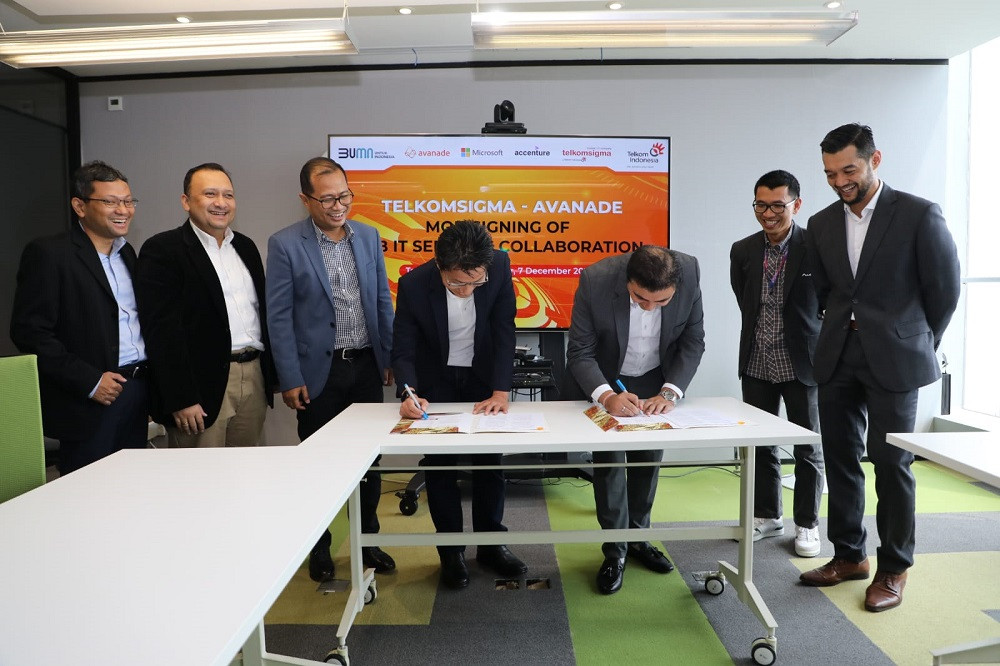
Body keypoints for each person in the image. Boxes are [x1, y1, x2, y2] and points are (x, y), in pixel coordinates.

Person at [800, 124, 960, 612]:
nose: (839, 181)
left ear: (875, 159)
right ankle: (850, 555)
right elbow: (826, 291)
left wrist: (918, 341)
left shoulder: (918, 214)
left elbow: (944, 290)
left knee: (891, 462)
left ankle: (893, 567)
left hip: (896, 357)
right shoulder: (821, 223)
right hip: (837, 356)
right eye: (830, 174)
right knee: (840, 458)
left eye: (848, 170)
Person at [266, 157, 396, 581]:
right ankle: (319, 548)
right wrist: (290, 377)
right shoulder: (285, 244)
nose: (338, 206)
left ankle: (368, 541)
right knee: (317, 465)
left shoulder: (369, 236)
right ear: (305, 199)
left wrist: (389, 356)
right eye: (327, 199)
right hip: (317, 375)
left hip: (365, 367)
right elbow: (278, 317)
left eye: (344, 196)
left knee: (370, 463)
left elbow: (381, 301)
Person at [392, 220, 526, 590]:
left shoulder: (499, 266)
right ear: (439, 265)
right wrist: (408, 392)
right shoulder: (414, 284)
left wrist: (501, 391)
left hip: (482, 378)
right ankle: (451, 552)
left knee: (489, 463)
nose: (466, 291)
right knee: (440, 467)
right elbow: (403, 346)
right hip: (436, 381)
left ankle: (491, 545)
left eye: (475, 283)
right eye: (456, 284)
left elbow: (505, 331)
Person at [566, 244, 705, 594]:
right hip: (609, 378)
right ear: (627, 280)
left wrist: (670, 392)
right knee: (610, 464)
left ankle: (639, 538)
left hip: (657, 379)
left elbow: (692, 341)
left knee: (648, 461)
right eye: (640, 299)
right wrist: (607, 396)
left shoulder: (690, 273)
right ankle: (615, 551)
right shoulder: (596, 279)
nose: (649, 308)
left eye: (661, 302)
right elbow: (580, 352)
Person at [11, 160, 149, 475]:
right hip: (88, 401)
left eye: (128, 201)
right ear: (80, 206)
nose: (123, 210)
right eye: (110, 202)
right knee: (90, 494)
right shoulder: (50, 254)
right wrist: (90, 381)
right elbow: (30, 332)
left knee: (133, 488)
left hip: (136, 391)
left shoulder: (127, 254)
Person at [135, 163, 275, 449]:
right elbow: (161, 330)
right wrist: (181, 397)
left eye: (228, 195)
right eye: (210, 194)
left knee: (248, 469)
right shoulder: (164, 249)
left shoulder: (245, 247)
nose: (221, 203)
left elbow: (261, 313)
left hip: (253, 377)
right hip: (199, 387)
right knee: (200, 474)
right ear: (186, 201)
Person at [730, 169, 825, 558]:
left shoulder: (816, 247)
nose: (768, 213)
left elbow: (828, 303)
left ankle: (808, 524)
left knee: (808, 447)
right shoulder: (742, 250)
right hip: (757, 360)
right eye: (760, 205)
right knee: (760, 444)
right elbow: (745, 301)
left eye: (777, 205)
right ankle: (768, 516)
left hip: (802, 363)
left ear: (796, 205)